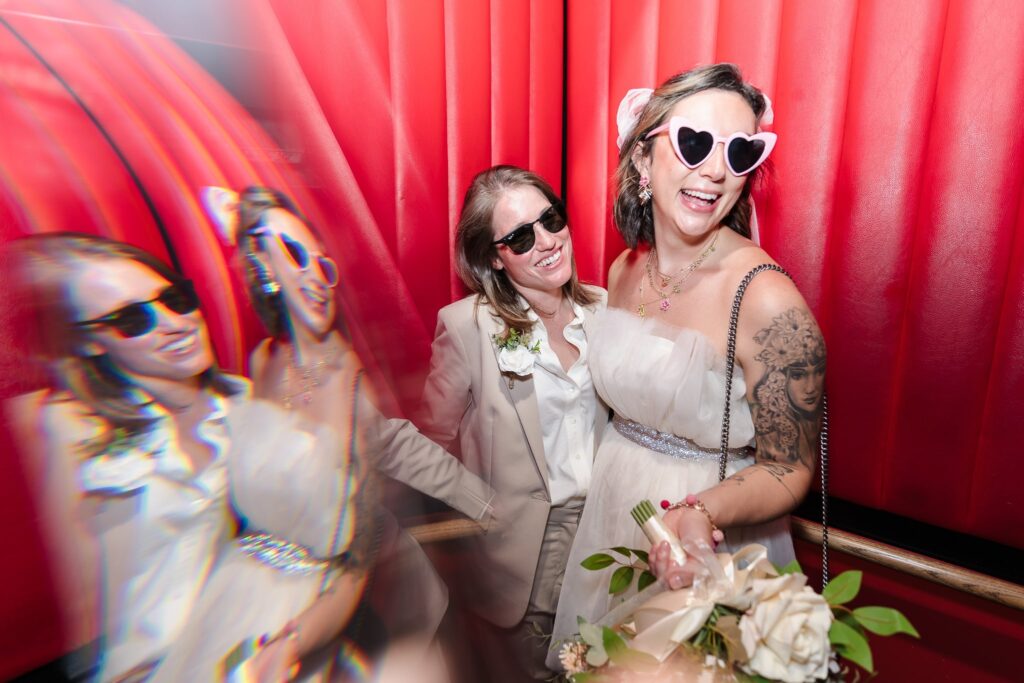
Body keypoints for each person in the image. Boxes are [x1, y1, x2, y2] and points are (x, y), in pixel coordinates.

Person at [550, 63, 826, 663]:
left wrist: (700, 512)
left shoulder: (768, 300)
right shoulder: (625, 271)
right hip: (614, 515)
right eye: (695, 143)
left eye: (741, 151)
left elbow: (790, 469)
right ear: (643, 162)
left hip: (712, 538)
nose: (717, 169)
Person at [203, 186, 496, 644]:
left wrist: (486, 505)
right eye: (295, 255)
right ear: (262, 267)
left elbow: (399, 448)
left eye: (322, 265)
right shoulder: (261, 363)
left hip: (345, 601)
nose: (317, 278)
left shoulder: (347, 379)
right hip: (252, 591)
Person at [418, 165, 607, 680]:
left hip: (607, 537)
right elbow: (428, 442)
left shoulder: (608, 311)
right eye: (521, 237)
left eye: (551, 219)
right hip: (525, 554)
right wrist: (480, 502)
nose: (547, 241)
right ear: (493, 259)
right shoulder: (466, 328)